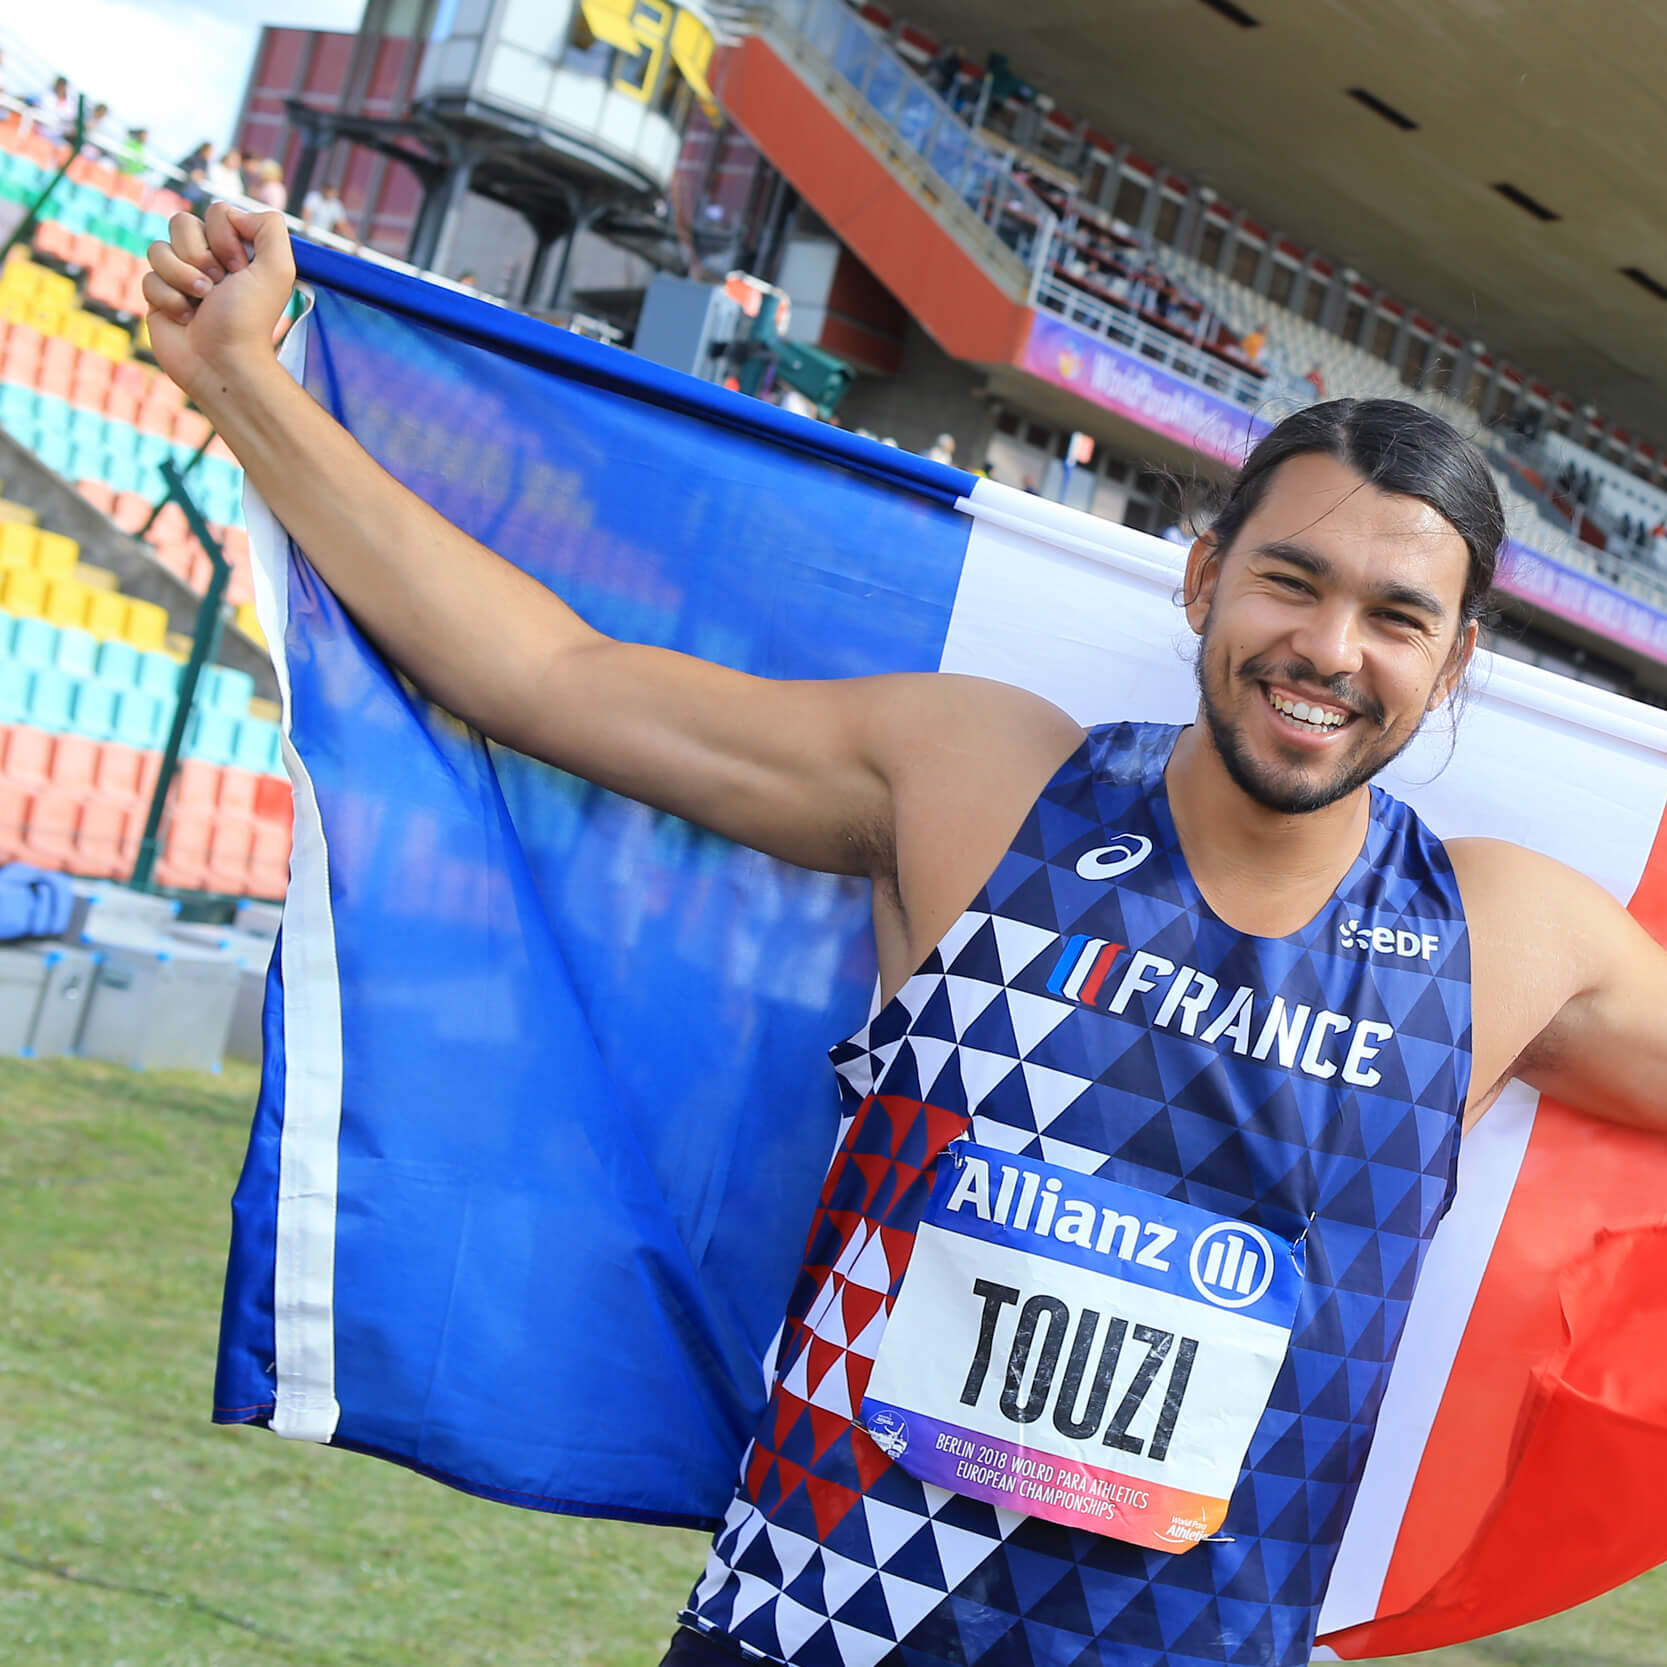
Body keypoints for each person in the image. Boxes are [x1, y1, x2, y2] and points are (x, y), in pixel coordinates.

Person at [142, 207, 1667, 1667]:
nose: (1329, 649)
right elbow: (548, 678)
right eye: (1292, 580)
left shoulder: (1502, 939)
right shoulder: (985, 788)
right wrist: (241, 382)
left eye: (1397, 617)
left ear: (1454, 664)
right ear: (1206, 577)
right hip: (813, 1634)